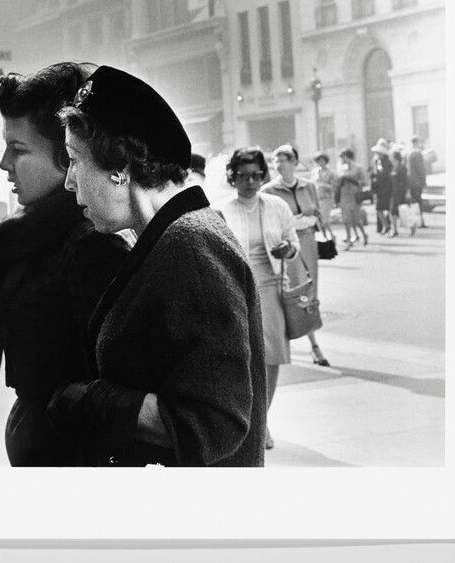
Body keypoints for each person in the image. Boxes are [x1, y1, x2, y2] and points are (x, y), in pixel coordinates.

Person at [49, 65, 266, 467]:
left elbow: (213, 422)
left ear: (120, 166)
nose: (69, 181)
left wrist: (92, 399)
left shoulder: (191, 245)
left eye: (75, 160)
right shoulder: (173, 237)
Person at [0, 62, 131, 466]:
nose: (5, 163)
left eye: (18, 149)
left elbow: (116, 383)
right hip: (38, 438)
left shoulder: (92, 245)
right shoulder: (22, 242)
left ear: (67, 157)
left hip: (75, 451)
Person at [216, 147, 300, 450]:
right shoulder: (221, 209)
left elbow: (294, 243)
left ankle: (261, 421)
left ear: (263, 175)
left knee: (272, 356)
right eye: (243, 176)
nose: (250, 182)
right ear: (232, 177)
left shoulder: (276, 205)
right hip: (236, 287)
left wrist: (287, 250)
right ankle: (246, 419)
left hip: (271, 285)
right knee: (244, 357)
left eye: (256, 176)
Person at [262, 144, 330, 367]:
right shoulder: (268, 191)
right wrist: (299, 220)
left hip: (308, 243)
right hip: (287, 246)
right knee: (292, 292)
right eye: (275, 161)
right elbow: (273, 222)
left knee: (309, 290)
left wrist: (308, 220)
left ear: (294, 163)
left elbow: (317, 214)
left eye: (283, 160)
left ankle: (311, 341)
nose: (279, 165)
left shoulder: (309, 186)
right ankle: (305, 343)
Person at [337, 148, 369, 249]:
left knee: (355, 218)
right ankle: (349, 240)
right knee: (346, 219)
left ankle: (363, 234)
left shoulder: (358, 168)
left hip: (355, 195)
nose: (342, 159)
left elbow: (364, 181)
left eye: (343, 157)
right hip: (344, 195)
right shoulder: (341, 168)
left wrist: (353, 181)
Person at [310, 151, 338, 241]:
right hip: (318, 198)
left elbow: (334, 187)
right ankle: (326, 237)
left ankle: (332, 235)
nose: (320, 163)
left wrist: (323, 185)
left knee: (325, 220)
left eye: (322, 161)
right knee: (320, 220)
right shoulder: (314, 172)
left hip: (327, 198)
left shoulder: (331, 173)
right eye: (318, 161)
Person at [370, 138, 394, 235]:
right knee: (379, 209)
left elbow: (385, 174)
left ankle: (390, 226)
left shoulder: (387, 162)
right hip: (379, 188)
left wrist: (378, 177)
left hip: (386, 187)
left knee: (388, 209)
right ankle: (385, 225)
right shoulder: (377, 161)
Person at [389, 148, 413, 237]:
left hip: (401, 192)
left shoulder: (402, 168)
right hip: (394, 192)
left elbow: (406, 181)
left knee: (405, 211)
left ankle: (412, 227)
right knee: (393, 211)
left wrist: (407, 192)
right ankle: (394, 229)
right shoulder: (392, 167)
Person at [406, 135, 428, 228]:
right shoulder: (417, 153)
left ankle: (414, 220)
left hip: (409, 181)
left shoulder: (407, 152)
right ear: (417, 142)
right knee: (419, 201)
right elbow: (420, 169)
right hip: (417, 181)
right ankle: (420, 221)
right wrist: (424, 181)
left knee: (413, 201)